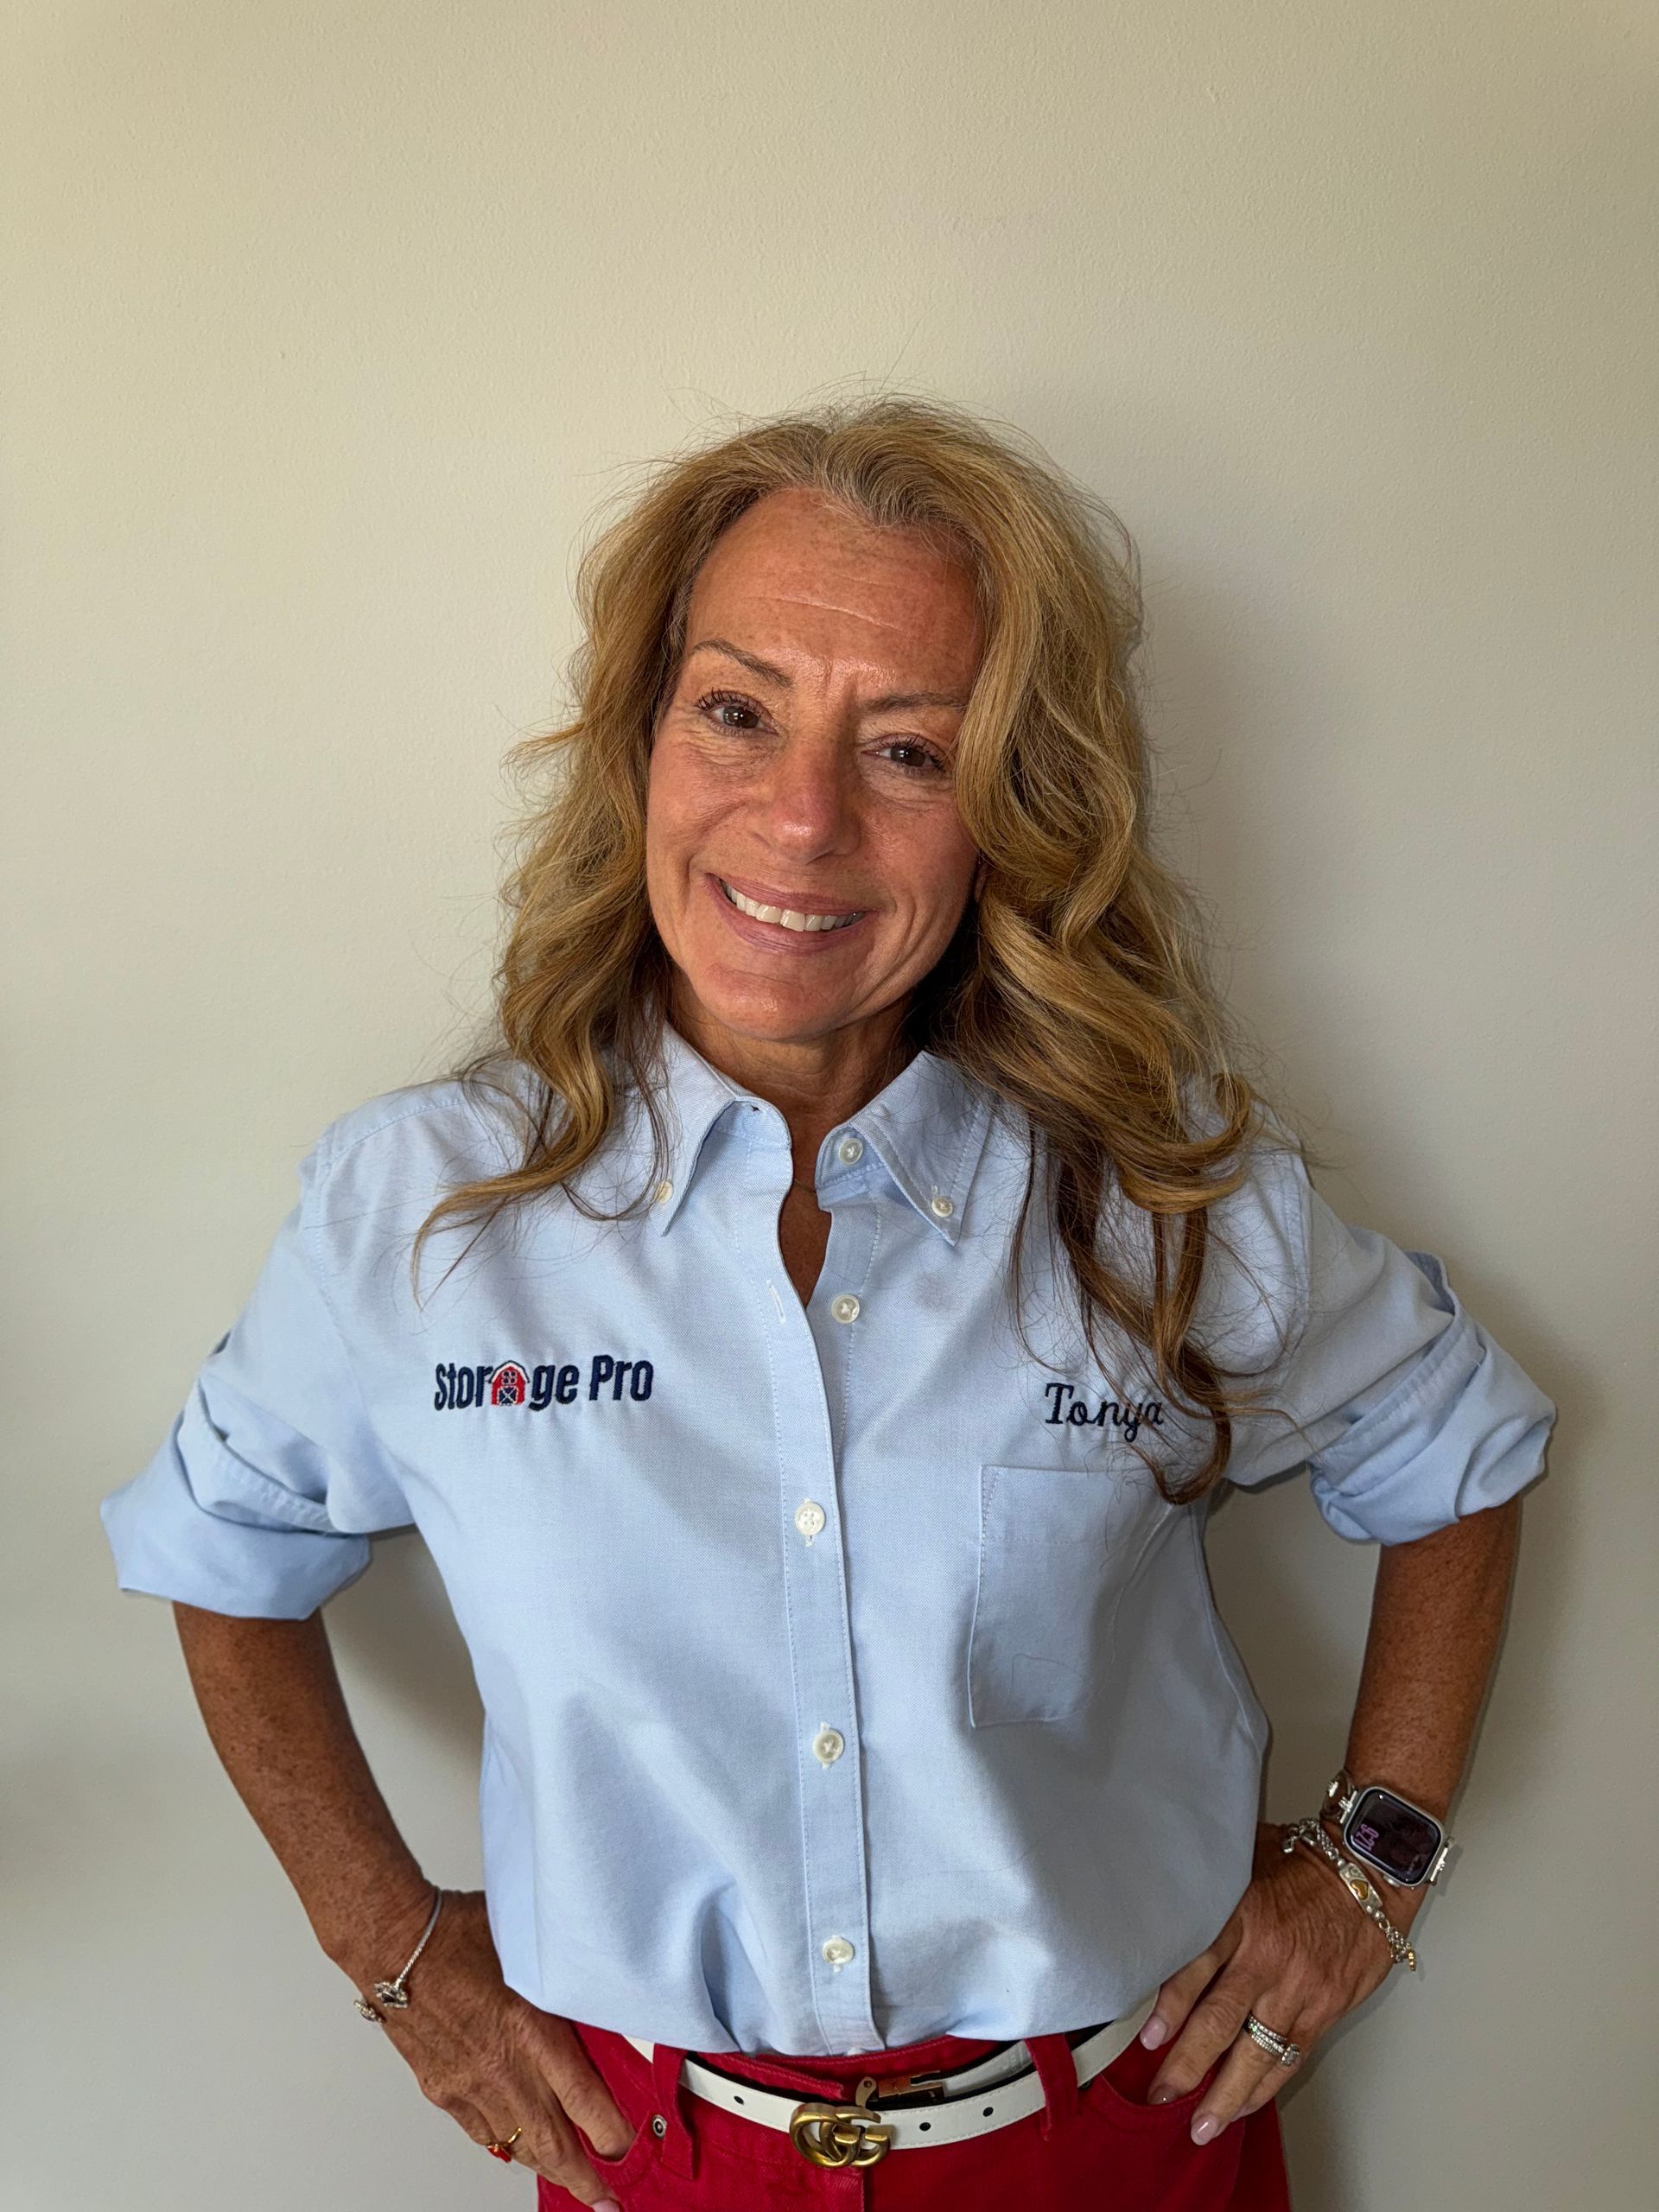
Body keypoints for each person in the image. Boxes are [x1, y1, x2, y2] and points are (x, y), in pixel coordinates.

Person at [101, 395, 1557, 2211]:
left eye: (909, 748)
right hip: (656, 2155)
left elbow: (1463, 1448)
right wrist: (396, 1959)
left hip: (1119, 2145)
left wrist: (1373, 1861)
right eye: (737, 708)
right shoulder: (422, 1208)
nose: (799, 821)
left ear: (1010, 804)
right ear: (643, 738)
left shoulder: (1154, 1184)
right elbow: (222, 1552)